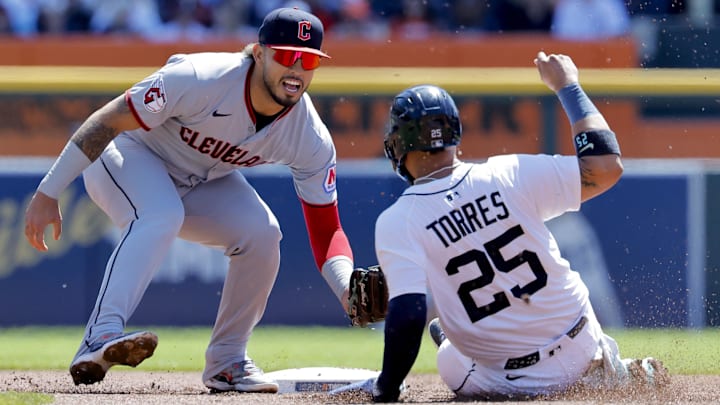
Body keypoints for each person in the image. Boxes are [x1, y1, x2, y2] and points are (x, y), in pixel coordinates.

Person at [24, 7, 357, 393]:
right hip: (127, 153)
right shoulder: (202, 77)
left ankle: (228, 362)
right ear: (260, 53)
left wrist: (347, 288)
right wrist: (48, 191)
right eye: (287, 55)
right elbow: (108, 120)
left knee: (263, 234)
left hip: (200, 178)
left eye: (310, 59)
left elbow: (326, 227)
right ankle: (100, 336)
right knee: (161, 213)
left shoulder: (309, 136)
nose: (297, 68)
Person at [333, 52, 669, 401]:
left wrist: (384, 390)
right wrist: (568, 86)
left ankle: (483, 355)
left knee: (449, 357)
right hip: (584, 340)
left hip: (515, 378)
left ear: (397, 144)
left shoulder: (397, 220)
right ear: (455, 132)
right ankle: (603, 371)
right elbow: (606, 167)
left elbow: (409, 316)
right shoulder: (508, 172)